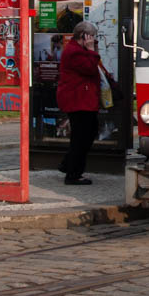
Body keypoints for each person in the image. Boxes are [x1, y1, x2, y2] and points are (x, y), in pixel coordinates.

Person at [56, 21, 104, 185]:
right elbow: (90, 68)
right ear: (84, 36)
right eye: (92, 38)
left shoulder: (77, 50)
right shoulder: (75, 53)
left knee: (88, 133)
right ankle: (73, 174)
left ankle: (68, 165)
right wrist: (91, 50)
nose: (93, 42)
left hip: (83, 100)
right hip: (78, 101)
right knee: (81, 138)